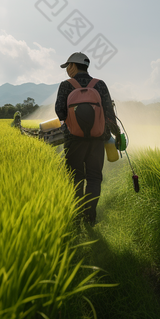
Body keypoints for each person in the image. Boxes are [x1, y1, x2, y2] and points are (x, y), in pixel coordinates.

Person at [55, 52, 120, 225]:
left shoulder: (66, 85)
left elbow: (60, 111)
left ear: (74, 66)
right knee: (94, 178)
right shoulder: (100, 85)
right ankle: (90, 216)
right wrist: (115, 134)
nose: (67, 70)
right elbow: (109, 113)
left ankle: (77, 214)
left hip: (73, 139)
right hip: (97, 139)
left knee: (76, 176)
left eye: (67, 66)